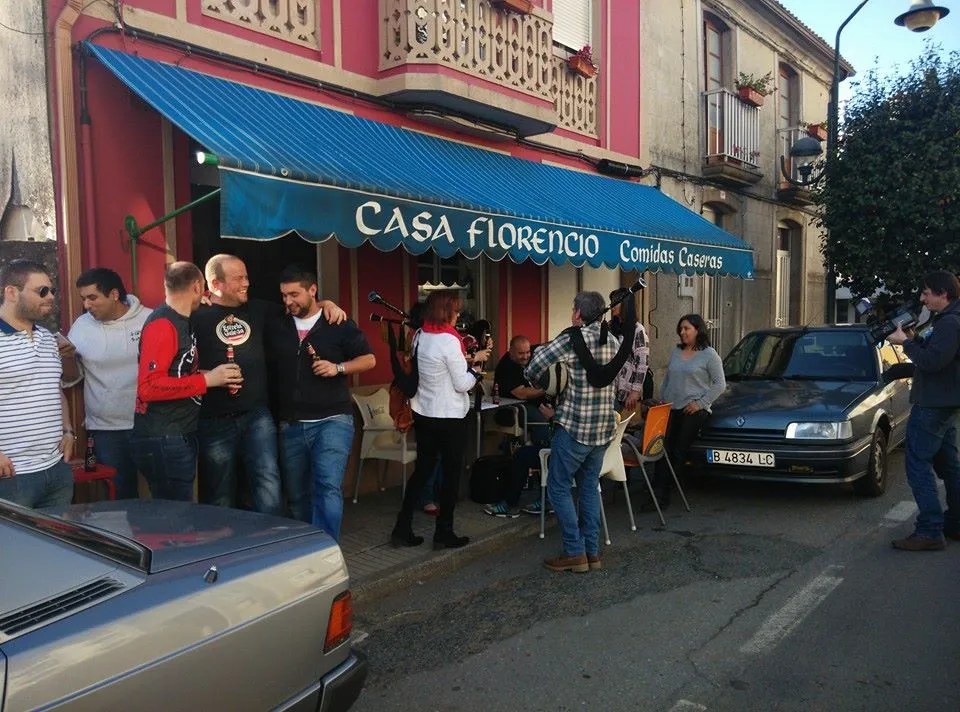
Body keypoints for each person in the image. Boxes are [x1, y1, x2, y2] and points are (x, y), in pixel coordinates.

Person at [192, 254, 345, 516]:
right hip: (212, 418)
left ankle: (272, 548)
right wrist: (207, 374)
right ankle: (224, 552)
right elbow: (180, 364)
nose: (246, 283)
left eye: (246, 276)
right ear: (216, 284)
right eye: (238, 278)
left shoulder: (259, 309)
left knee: (268, 486)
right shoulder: (195, 315)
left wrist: (326, 303)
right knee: (218, 493)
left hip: (256, 416)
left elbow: (301, 306)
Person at [273, 264, 375, 541]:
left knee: (327, 487)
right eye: (283, 295)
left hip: (332, 420)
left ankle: (326, 550)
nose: (288, 301)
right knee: (296, 494)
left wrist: (337, 368)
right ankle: (306, 550)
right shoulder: (278, 321)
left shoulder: (338, 323)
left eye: (294, 294)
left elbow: (369, 359)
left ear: (312, 290)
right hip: (291, 424)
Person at [524, 291, 620, 573]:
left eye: (572, 309)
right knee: (589, 488)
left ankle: (575, 552)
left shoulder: (571, 339)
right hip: (603, 430)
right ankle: (592, 552)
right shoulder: (613, 341)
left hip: (575, 428)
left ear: (578, 313)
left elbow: (534, 364)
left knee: (558, 487)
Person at [132, 261, 242, 501]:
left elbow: (176, 373)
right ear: (196, 286)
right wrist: (207, 380)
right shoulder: (163, 324)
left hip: (177, 434)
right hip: (163, 437)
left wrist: (216, 377)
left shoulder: (183, 319)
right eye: (203, 289)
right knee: (175, 521)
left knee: (177, 517)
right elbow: (149, 387)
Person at [391, 289, 487, 550]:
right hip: (450, 417)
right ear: (446, 312)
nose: (458, 315)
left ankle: (402, 526)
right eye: (456, 311)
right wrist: (478, 370)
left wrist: (468, 362)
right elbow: (461, 383)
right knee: (450, 474)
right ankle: (444, 532)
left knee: (422, 470)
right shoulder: (449, 341)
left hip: (424, 412)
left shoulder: (421, 335)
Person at [887, 270, 960, 551]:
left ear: (943, 293)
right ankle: (955, 521)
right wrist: (914, 338)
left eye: (927, 292)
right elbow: (937, 354)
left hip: (933, 404)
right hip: (945, 402)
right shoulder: (948, 320)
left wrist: (905, 343)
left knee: (917, 464)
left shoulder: (950, 323)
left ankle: (930, 529)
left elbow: (931, 362)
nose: (922, 297)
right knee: (949, 465)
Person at [66, 267, 151, 499]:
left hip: (150, 424)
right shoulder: (82, 326)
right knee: (119, 495)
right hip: (105, 430)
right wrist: (66, 357)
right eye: (83, 299)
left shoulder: (149, 319)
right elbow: (71, 377)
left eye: (92, 297)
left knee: (162, 492)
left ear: (114, 295)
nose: (86, 305)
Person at [0, 259, 76, 508]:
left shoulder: (48, 338)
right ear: (11, 292)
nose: (50, 296)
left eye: (52, 290)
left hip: (57, 469)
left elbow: (55, 391)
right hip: (11, 476)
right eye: (42, 291)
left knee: (59, 545)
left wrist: (68, 431)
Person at [655, 313, 725, 508]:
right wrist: (662, 398)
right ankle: (656, 490)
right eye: (681, 328)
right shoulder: (677, 352)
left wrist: (701, 403)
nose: (682, 332)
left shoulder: (709, 354)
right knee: (662, 449)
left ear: (698, 330)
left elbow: (720, 384)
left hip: (692, 411)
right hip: (670, 408)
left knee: (677, 451)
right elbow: (668, 378)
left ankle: (665, 495)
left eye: (686, 328)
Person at [493, 335, 552, 438]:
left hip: (532, 404)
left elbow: (547, 346)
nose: (525, 356)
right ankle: (540, 450)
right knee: (540, 420)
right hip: (510, 408)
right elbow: (522, 394)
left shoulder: (528, 352)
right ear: (511, 351)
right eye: (521, 353)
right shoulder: (506, 367)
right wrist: (550, 387)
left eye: (527, 352)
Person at [609, 287, 651, 412]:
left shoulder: (637, 329)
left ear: (625, 303)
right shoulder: (611, 326)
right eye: (612, 301)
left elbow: (643, 362)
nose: (612, 305)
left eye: (616, 301)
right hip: (612, 388)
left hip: (627, 389)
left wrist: (635, 391)